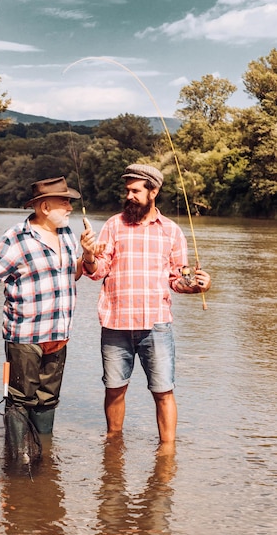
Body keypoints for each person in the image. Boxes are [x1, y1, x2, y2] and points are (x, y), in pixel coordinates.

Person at [80, 163, 211, 443]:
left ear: (154, 192)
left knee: (164, 391)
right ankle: (113, 446)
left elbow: (179, 280)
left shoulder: (172, 231)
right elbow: (97, 271)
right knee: (114, 389)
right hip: (115, 323)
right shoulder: (114, 225)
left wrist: (200, 285)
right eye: (127, 190)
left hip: (157, 326)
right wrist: (89, 256)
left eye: (136, 191)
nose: (129, 196)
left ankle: (167, 451)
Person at [0, 176, 83, 435]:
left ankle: (43, 457)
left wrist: (89, 256)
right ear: (45, 207)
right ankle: (18, 463)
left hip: (58, 333)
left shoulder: (68, 234)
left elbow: (73, 273)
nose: (70, 207)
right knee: (20, 399)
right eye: (65, 202)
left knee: (48, 399)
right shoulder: (17, 237)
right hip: (25, 335)